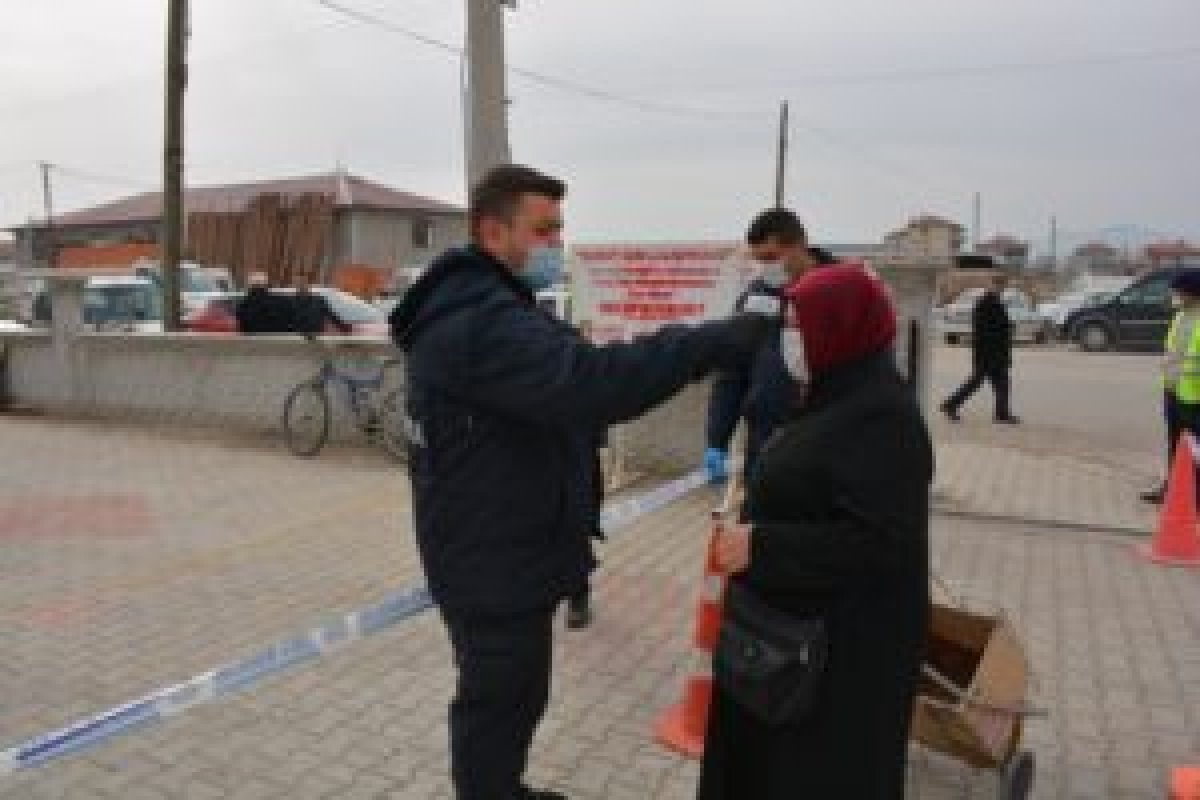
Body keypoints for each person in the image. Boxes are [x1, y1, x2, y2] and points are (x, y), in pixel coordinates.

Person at [388, 164, 771, 800]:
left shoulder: (489, 303)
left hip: (504, 546)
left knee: (515, 696)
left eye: (560, 229)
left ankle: (502, 788)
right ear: (492, 232)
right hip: (492, 558)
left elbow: (567, 380)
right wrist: (706, 344)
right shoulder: (481, 322)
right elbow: (592, 383)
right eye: (543, 230)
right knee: (496, 703)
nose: (556, 244)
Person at [699, 265, 933, 799]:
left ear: (841, 327)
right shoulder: (834, 393)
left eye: (799, 326)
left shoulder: (883, 418)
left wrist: (760, 546)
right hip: (790, 642)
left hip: (840, 658)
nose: (790, 339)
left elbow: (883, 543)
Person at [703, 209, 839, 483]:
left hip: (825, 444)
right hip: (765, 445)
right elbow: (732, 373)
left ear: (800, 244)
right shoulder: (755, 297)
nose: (766, 268)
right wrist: (717, 439)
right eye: (758, 260)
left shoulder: (842, 290)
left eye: (771, 258)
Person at [1141, 271, 1200, 504]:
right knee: (1175, 444)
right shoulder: (1179, 317)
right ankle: (1172, 489)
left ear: (1192, 293)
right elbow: (1174, 351)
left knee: (1195, 447)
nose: (1175, 295)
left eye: (1178, 291)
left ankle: (1194, 495)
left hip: (1195, 397)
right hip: (1174, 390)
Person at [940, 275, 1021, 424]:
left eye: (1002, 285)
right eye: (998, 285)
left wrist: (1006, 328)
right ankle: (950, 404)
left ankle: (1001, 413)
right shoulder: (985, 303)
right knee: (979, 382)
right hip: (989, 352)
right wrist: (1004, 329)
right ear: (992, 285)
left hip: (994, 352)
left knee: (1001, 384)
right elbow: (984, 329)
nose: (1000, 288)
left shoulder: (994, 302)